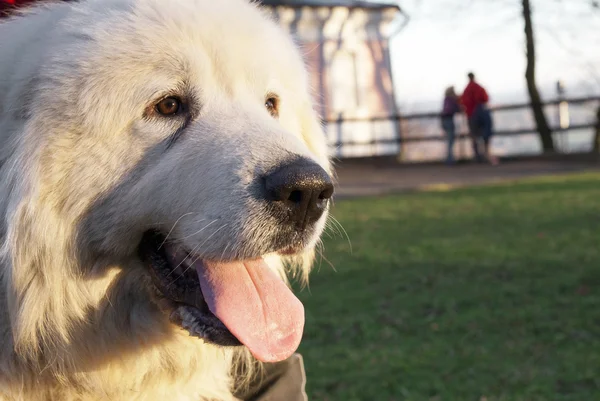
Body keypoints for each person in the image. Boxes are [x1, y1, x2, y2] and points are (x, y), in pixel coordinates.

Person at [461, 72, 499, 165]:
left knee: (474, 136)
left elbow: (463, 102)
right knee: (485, 135)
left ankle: (477, 156)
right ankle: (486, 154)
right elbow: (486, 98)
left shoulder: (466, 90)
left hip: (471, 116)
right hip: (481, 114)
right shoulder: (479, 88)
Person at [441, 86, 462, 165]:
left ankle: (450, 158)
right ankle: (450, 159)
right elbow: (454, 109)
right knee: (450, 140)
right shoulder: (451, 100)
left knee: (449, 140)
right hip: (449, 120)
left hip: (445, 120)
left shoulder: (446, 99)